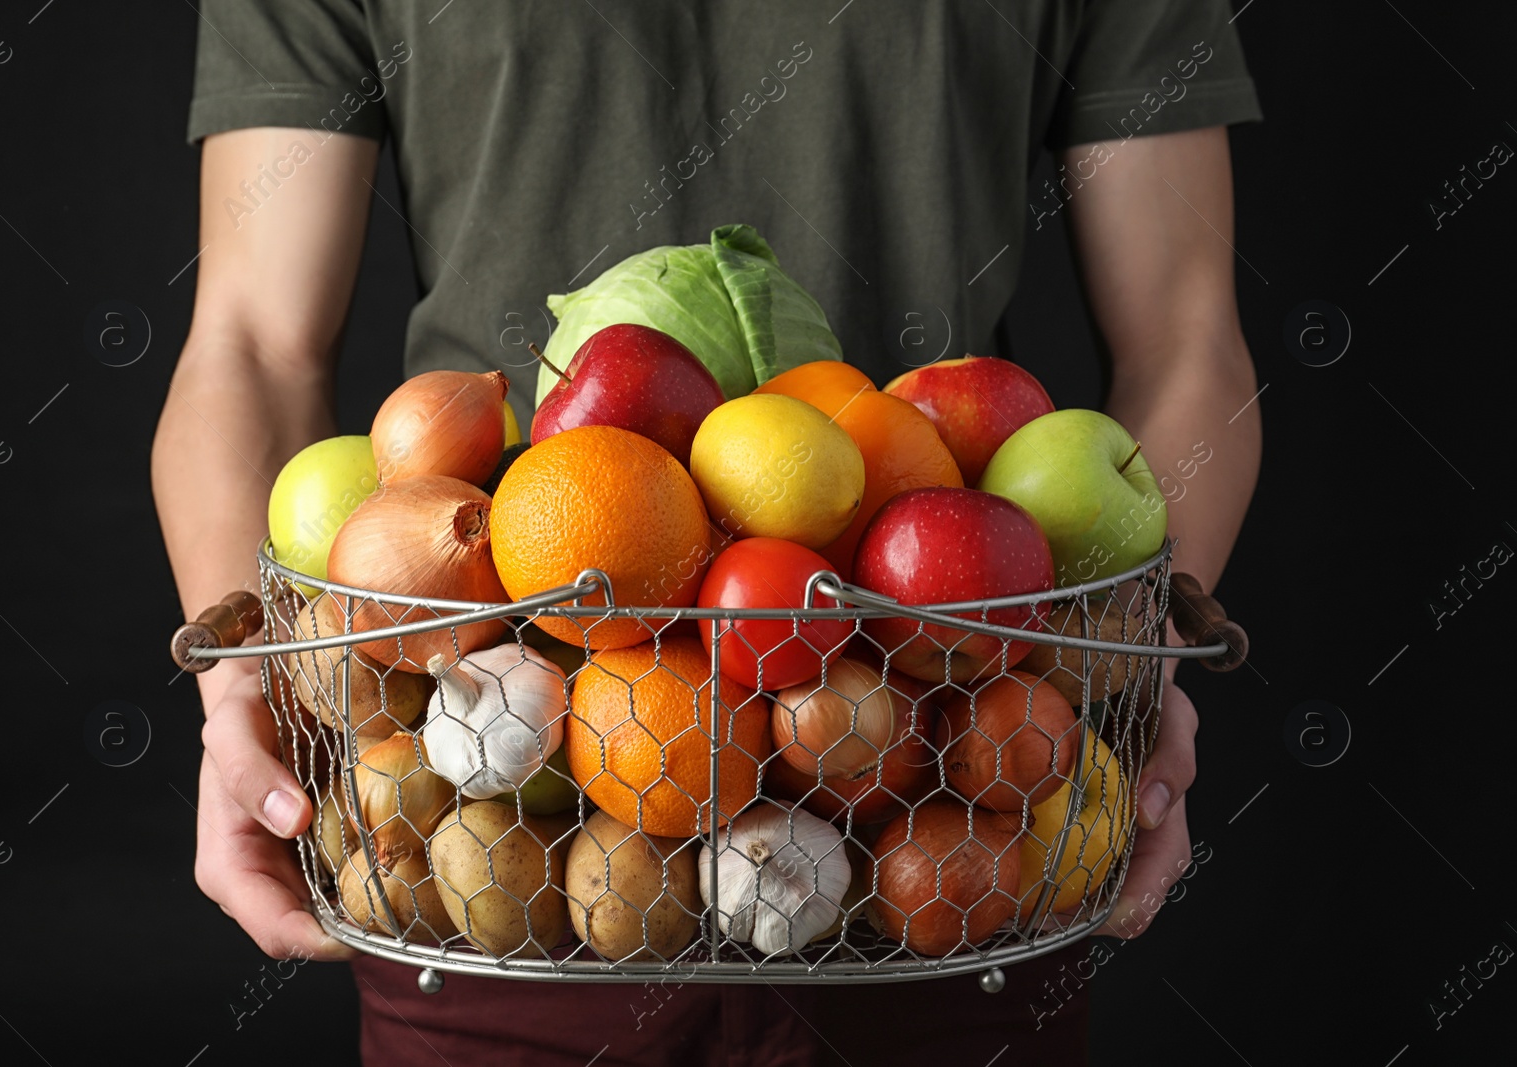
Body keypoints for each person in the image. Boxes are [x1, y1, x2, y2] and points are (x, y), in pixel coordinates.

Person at [154, 2, 1262, 1063]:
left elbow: (1186, 338)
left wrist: (1131, 660)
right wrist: (241, 689)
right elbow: (252, 343)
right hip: (490, 808)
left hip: (934, 801)